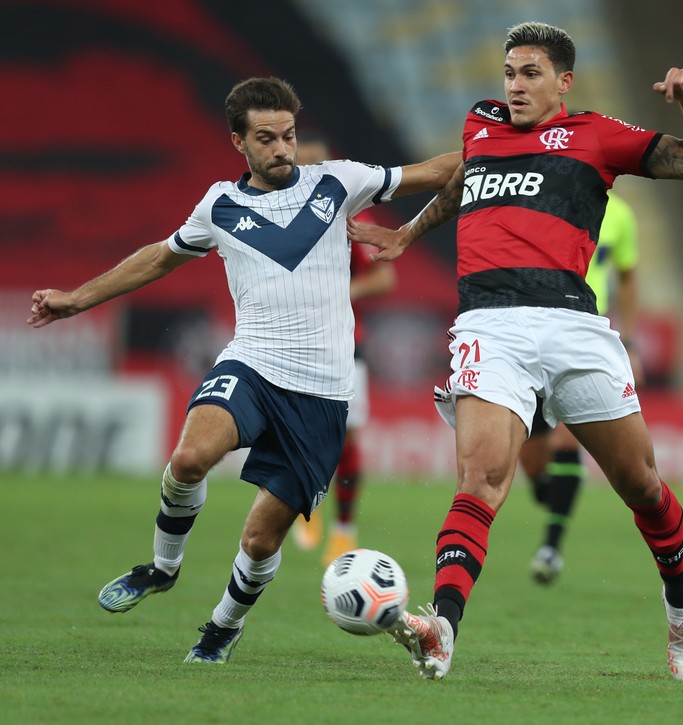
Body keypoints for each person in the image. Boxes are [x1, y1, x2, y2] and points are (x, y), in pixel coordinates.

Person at [26, 76, 460, 664]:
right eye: (266, 138)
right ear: (238, 141)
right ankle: (162, 567)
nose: (282, 149)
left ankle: (223, 626)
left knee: (259, 540)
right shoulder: (219, 206)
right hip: (252, 364)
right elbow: (158, 258)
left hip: (322, 395)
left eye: (288, 135)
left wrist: (500, 150)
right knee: (188, 459)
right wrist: (76, 299)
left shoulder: (339, 182)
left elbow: (438, 171)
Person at [348, 22, 683, 681]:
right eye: (509, 73)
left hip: (572, 325)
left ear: (563, 81)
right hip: (489, 326)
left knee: (641, 483)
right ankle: (442, 629)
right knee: (482, 479)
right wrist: (408, 232)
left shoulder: (597, 135)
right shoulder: (482, 127)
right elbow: (463, 182)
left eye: (530, 74)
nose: (515, 86)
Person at [520, 190, 645, 584]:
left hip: (587, 333)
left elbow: (627, 279)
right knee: (534, 464)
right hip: (536, 330)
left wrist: (631, 343)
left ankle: (550, 548)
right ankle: (556, 492)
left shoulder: (621, 215)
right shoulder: (549, 195)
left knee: (567, 440)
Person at [290, 135, 397, 566]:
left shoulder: (346, 219)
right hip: (294, 343)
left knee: (347, 436)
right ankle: (307, 506)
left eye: (316, 164)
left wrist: (339, 294)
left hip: (345, 344)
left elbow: (384, 278)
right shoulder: (275, 218)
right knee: (299, 433)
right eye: (302, 164)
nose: (309, 172)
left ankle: (344, 529)